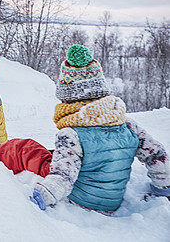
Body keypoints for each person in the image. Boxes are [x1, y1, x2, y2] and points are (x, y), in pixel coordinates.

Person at [27, 44, 170, 213]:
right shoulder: (127, 124)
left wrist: (41, 196)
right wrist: (163, 189)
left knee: (27, 149)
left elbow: (63, 176)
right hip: (113, 201)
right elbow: (157, 155)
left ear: (68, 97)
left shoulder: (71, 133)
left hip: (81, 200)